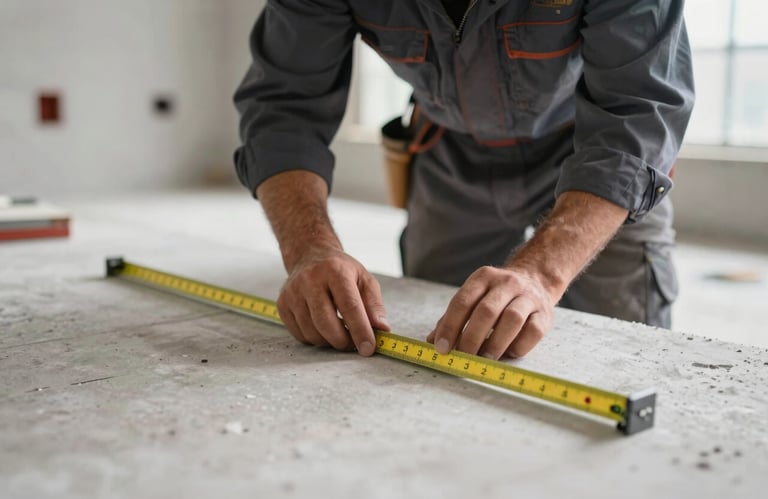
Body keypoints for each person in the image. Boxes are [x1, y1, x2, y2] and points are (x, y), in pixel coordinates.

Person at [233, 0, 694, 360]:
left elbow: (638, 111)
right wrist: (309, 249)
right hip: (449, 149)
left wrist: (540, 274)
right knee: (437, 330)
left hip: (592, 153)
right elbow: (282, 113)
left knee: (630, 346)